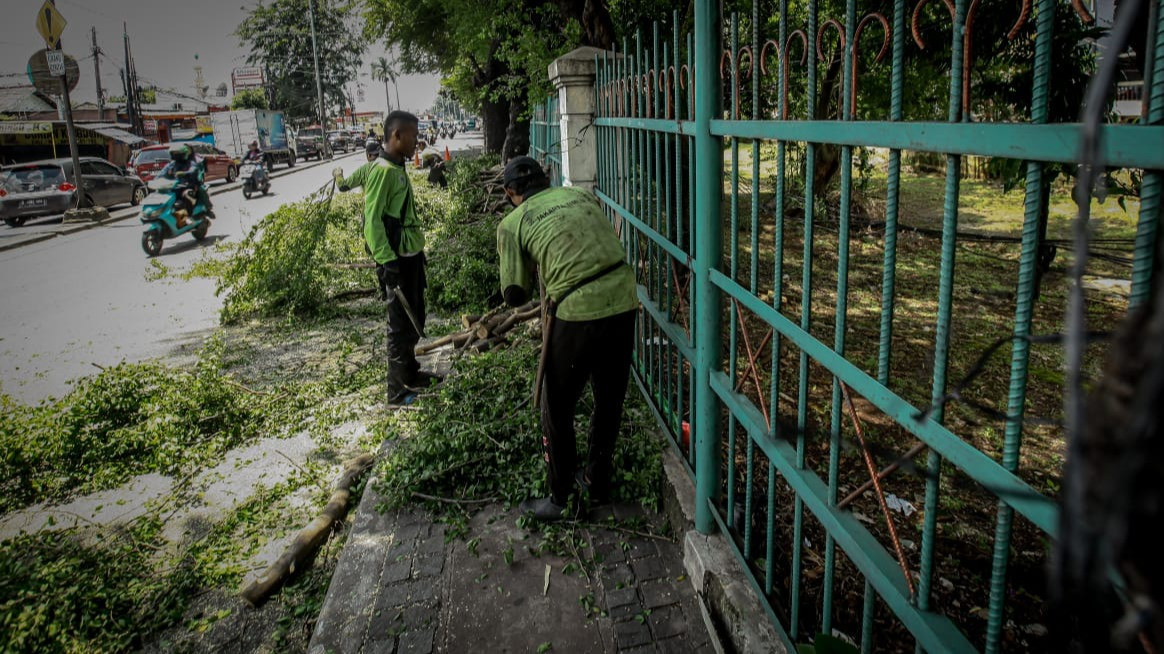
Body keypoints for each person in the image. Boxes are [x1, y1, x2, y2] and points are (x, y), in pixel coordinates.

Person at [496, 156, 638, 521]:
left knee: (556, 405)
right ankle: (596, 480)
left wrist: (529, 262)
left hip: (577, 311)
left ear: (511, 192)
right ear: (547, 179)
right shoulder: (580, 196)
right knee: (609, 399)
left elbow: (515, 295)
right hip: (624, 298)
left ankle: (560, 499)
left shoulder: (513, 223)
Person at [332, 111, 439, 405]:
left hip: (410, 254)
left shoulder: (397, 166)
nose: (418, 141)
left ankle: (412, 373)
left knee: (416, 315)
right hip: (396, 260)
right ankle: (397, 390)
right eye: (414, 136)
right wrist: (387, 262)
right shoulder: (381, 171)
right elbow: (373, 222)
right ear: (397, 136)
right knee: (399, 325)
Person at [158, 143, 214, 226]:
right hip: (175, 187)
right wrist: (156, 180)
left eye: (176, 154)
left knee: (187, 195)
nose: (174, 156)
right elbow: (162, 173)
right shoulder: (171, 164)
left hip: (188, 186)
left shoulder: (190, 162)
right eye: (173, 154)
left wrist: (185, 173)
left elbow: (194, 169)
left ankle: (189, 216)